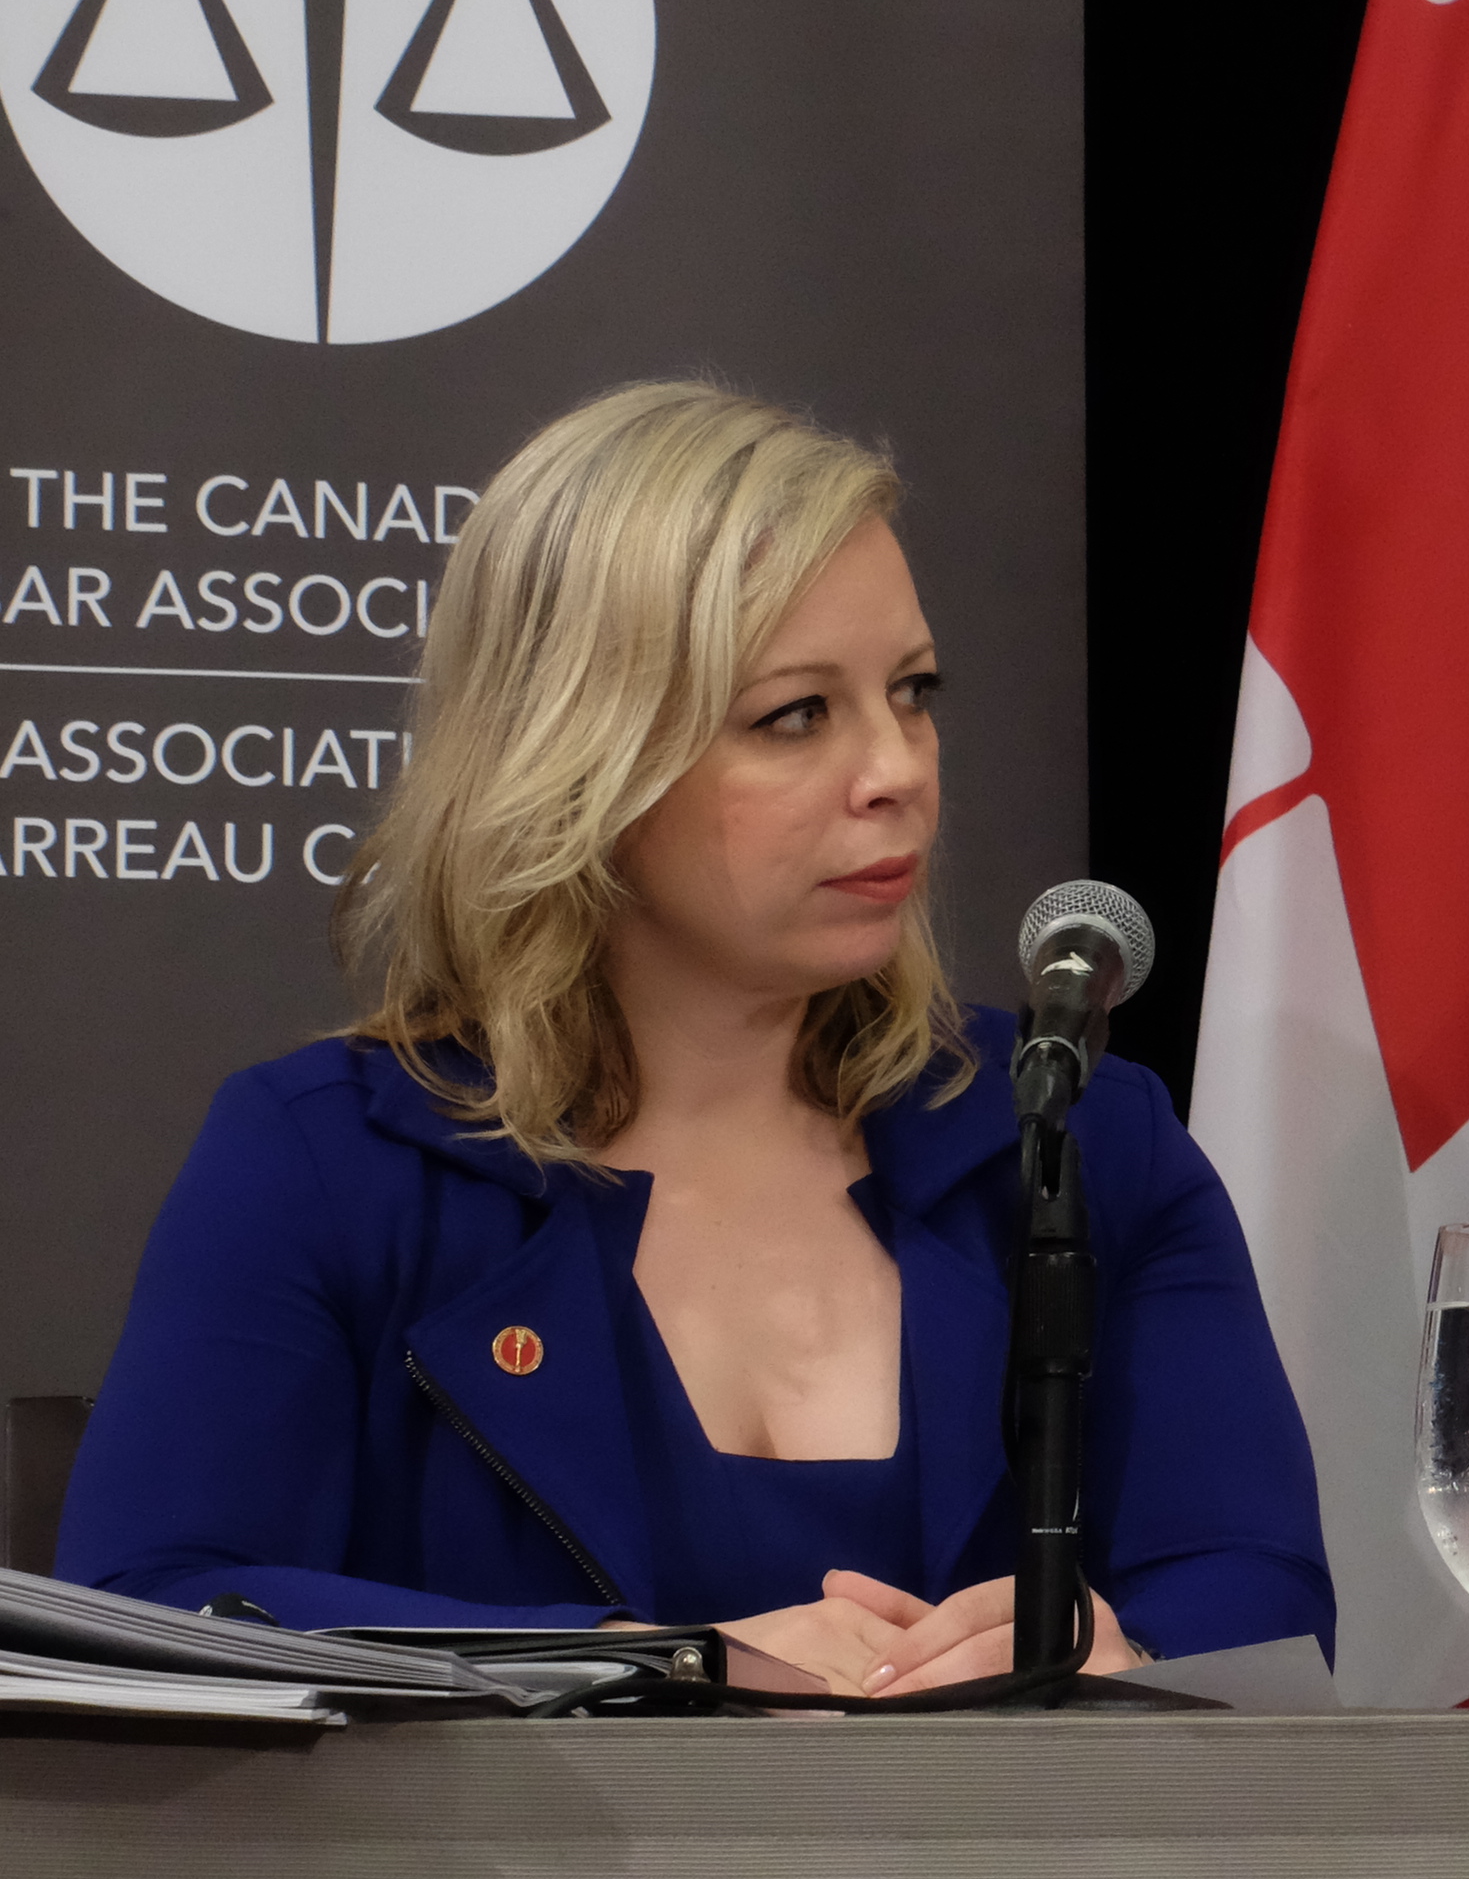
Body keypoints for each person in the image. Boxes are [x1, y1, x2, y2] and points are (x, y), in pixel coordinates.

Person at [62, 382, 1330, 1693]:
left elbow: (1258, 1591)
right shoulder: (330, 1161)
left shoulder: (1076, 1138)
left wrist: (1123, 1648)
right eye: (796, 714)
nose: (897, 767)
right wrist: (654, 1667)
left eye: (913, 690)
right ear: (582, 757)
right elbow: (155, 1603)